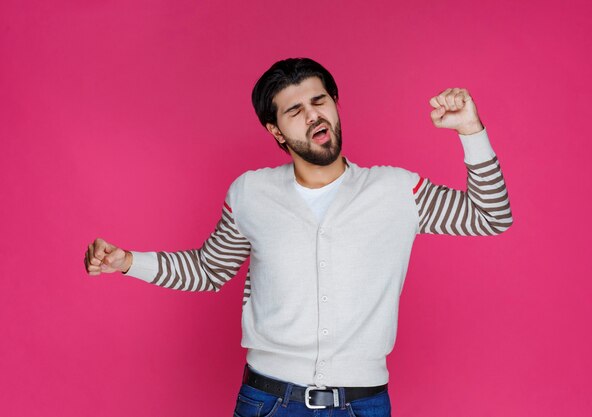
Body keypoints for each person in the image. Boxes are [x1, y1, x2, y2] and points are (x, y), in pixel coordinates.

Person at [84, 57, 513, 416]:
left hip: (362, 404)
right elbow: (208, 269)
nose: (313, 115)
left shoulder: (397, 191)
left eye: (319, 100)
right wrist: (127, 262)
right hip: (268, 401)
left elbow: (491, 215)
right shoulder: (250, 193)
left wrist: (471, 132)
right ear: (275, 131)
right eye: (295, 111)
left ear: (335, 106)